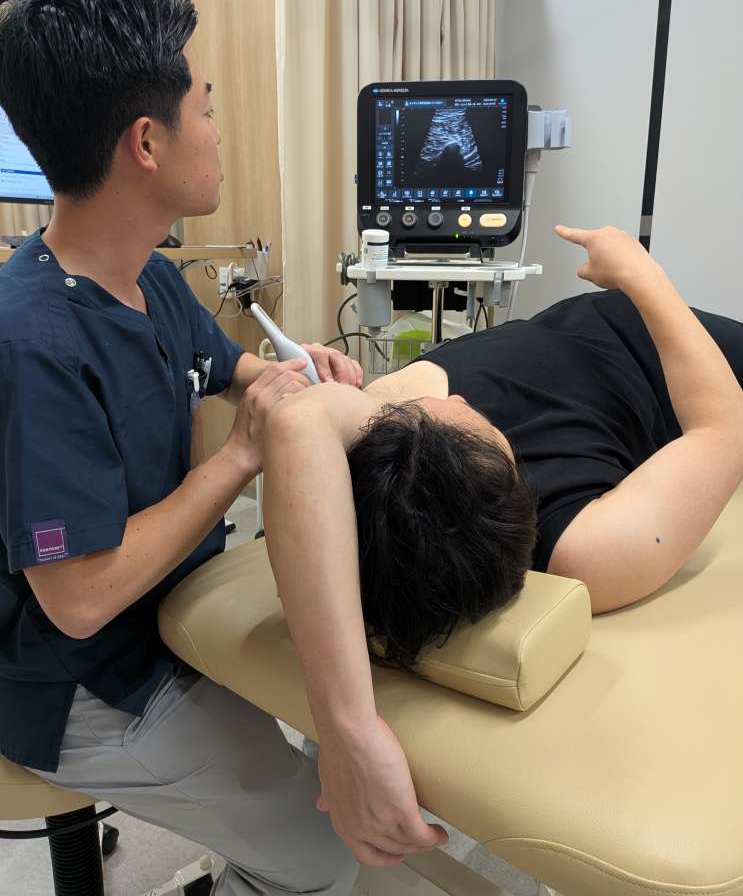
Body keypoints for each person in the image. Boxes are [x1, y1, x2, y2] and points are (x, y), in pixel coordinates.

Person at [0, 0, 383, 896]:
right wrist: (241, 456)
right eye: (204, 108)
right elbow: (78, 600)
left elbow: (226, 369)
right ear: (146, 141)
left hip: (172, 607)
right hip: (81, 679)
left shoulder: (153, 278)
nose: (216, 132)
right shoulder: (32, 341)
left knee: (347, 703)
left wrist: (292, 372)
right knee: (332, 852)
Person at [260, 225, 743, 855]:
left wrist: (347, 731)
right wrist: (642, 275)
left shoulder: (390, 434)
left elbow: (297, 424)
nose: (454, 394)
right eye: (460, 418)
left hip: (586, 324)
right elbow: (722, 425)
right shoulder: (586, 546)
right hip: (692, 354)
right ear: (497, 484)